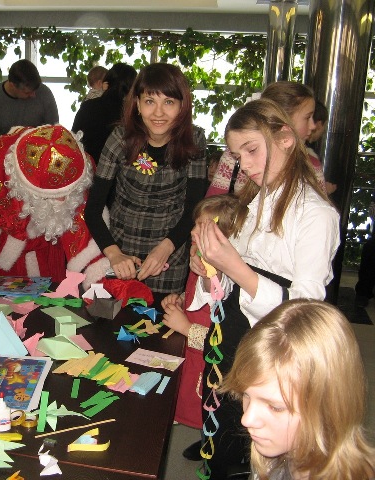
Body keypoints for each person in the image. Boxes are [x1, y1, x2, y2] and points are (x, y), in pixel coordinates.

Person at [189, 99, 340, 480]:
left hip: (271, 349)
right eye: (237, 155)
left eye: (252, 150)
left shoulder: (316, 214)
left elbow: (305, 314)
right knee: (224, 424)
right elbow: (228, 283)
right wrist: (210, 269)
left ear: (286, 138)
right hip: (230, 339)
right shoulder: (254, 200)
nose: (245, 165)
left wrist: (233, 267)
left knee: (253, 445)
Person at [84, 63, 208, 298]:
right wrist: (114, 254)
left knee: (163, 315)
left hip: (171, 253)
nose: (158, 113)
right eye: (150, 101)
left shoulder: (195, 140)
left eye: (168, 102)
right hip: (122, 251)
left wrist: (166, 248)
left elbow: (193, 208)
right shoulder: (120, 139)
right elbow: (93, 209)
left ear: (182, 106)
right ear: (138, 105)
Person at [222, 299, 375, 480]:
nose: (247, 419)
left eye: (275, 407)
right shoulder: (276, 448)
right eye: (246, 396)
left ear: (328, 406)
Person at [0, 124, 108, 286]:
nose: (64, 200)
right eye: (54, 196)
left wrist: (99, 282)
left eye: (67, 193)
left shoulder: (72, 167)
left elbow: (85, 237)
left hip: (49, 257)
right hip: (3, 261)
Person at [161, 194, 240, 432]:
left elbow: (221, 340)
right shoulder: (199, 257)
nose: (192, 231)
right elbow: (198, 296)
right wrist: (181, 299)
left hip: (205, 359)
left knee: (202, 406)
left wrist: (185, 327)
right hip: (190, 353)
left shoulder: (224, 274)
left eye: (200, 227)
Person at [207, 81, 326, 197]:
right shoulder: (234, 157)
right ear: (282, 117)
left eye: (252, 150)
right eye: (307, 117)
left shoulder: (312, 166)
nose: (313, 126)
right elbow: (212, 203)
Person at [0, 59, 59, 146]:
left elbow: (55, 132)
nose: (33, 95)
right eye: (27, 93)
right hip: (6, 150)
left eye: (35, 90)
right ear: (12, 85)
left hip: (39, 149)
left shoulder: (45, 93)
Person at [72, 63, 137, 163]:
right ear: (131, 87)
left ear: (107, 82)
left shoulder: (88, 106)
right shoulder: (130, 112)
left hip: (88, 165)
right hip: (116, 168)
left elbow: (74, 137)